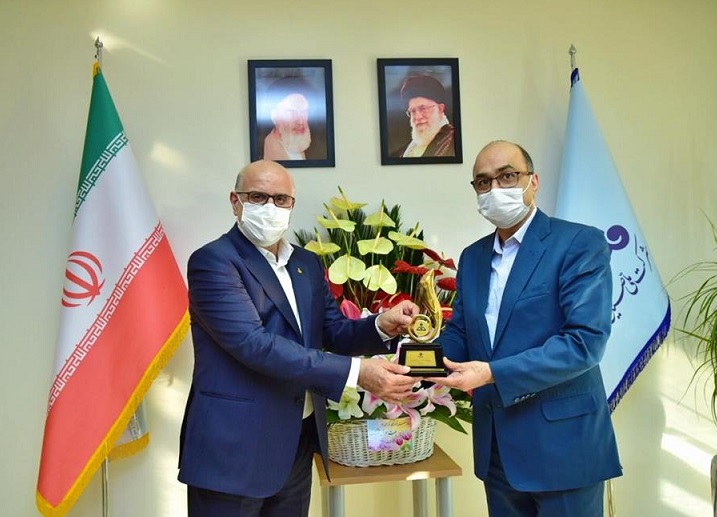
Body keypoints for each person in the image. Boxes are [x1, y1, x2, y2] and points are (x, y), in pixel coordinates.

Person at [178, 159, 419, 516]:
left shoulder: (305, 263)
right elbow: (254, 344)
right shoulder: (214, 262)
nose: (270, 207)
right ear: (235, 201)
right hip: (233, 449)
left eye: (281, 199)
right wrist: (357, 373)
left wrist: (381, 325)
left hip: (295, 441)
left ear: (292, 204)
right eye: (258, 197)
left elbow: (333, 331)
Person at [427, 140, 622, 516]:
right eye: (483, 182)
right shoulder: (473, 257)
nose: (495, 189)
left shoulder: (579, 243)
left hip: (564, 449)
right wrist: (413, 363)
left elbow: (584, 342)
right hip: (498, 451)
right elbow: (462, 334)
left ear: (534, 181)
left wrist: (491, 373)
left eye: (507, 176)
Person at [394, 74, 455, 158]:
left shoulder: (454, 141)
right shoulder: (403, 153)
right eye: (413, 111)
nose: (418, 117)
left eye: (423, 108)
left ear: (440, 109)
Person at [262, 77, 313, 161]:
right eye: (291, 112)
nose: (300, 121)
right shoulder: (271, 146)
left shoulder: (299, 144)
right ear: (274, 116)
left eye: (303, 112)